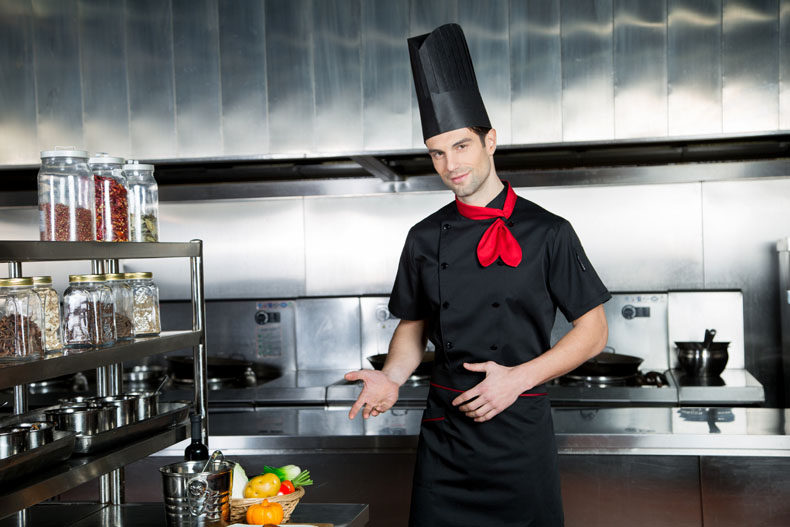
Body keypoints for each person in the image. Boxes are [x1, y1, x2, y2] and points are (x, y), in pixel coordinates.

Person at [344, 23, 610, 527]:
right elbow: (413, 327)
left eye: (461, 146)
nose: (450, 165)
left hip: (519, 434)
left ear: (491, 141)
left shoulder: (549, 231)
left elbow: (594, 331)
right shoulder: (424, 237)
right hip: (447, 439)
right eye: (437, 152)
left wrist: (517, 379)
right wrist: (392, 377)